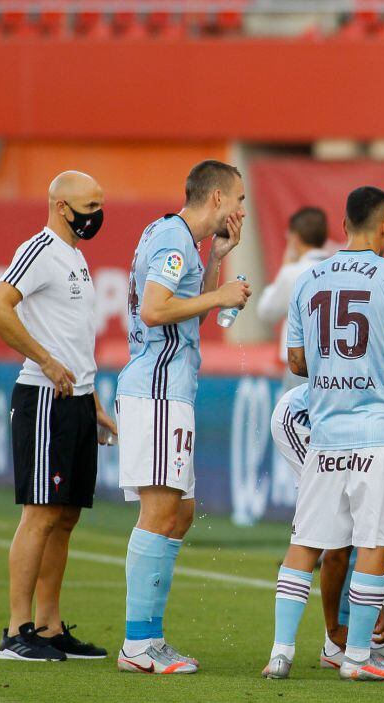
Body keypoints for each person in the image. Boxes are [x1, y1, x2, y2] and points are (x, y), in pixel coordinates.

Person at [283, 185, 384, 683]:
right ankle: (359, 658)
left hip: (324, 428)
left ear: (344, 225)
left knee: (308, 540)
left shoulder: (308, 278)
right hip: (380, 430)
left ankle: (280, 653)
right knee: (374, 541)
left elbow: (297, 362)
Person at [116, 160, 251, 674]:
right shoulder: (173, 240)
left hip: (171, 389)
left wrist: (216, 261)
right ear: (215, 198)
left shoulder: (176, 238)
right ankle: (138, 643)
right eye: (237, 199)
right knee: (160, 512)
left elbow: (179, 303)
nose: (241, 210)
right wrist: (219, 294)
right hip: (156, 390)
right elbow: (154, 309)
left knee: (181, 511)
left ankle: (149, 636)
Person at [0, 171, 115, 662]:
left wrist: (94, 401)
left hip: (77, 400)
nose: (95, 215)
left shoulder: (75, 257)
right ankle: (16, 631)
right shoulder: (39, 250)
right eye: (88, 205)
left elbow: (74, 338)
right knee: (39, 515)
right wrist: (44, 359)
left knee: (64, 518)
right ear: (61, 206)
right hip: (44, 399)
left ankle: (49, 625)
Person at [263, 384, 384, 678]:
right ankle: (333, 645)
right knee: (334, 533)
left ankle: (355, 638)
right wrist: (333, 627)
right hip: (301, 418)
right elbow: (337, 555)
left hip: (353, 423)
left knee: (375, 537)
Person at [256, 207, 334, 387]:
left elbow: (266, 312)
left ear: (295, 237)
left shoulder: (292, 273)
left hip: (299, 364)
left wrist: (285, 266)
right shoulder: (337, 269)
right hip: (332, 364)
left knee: (294, 415)